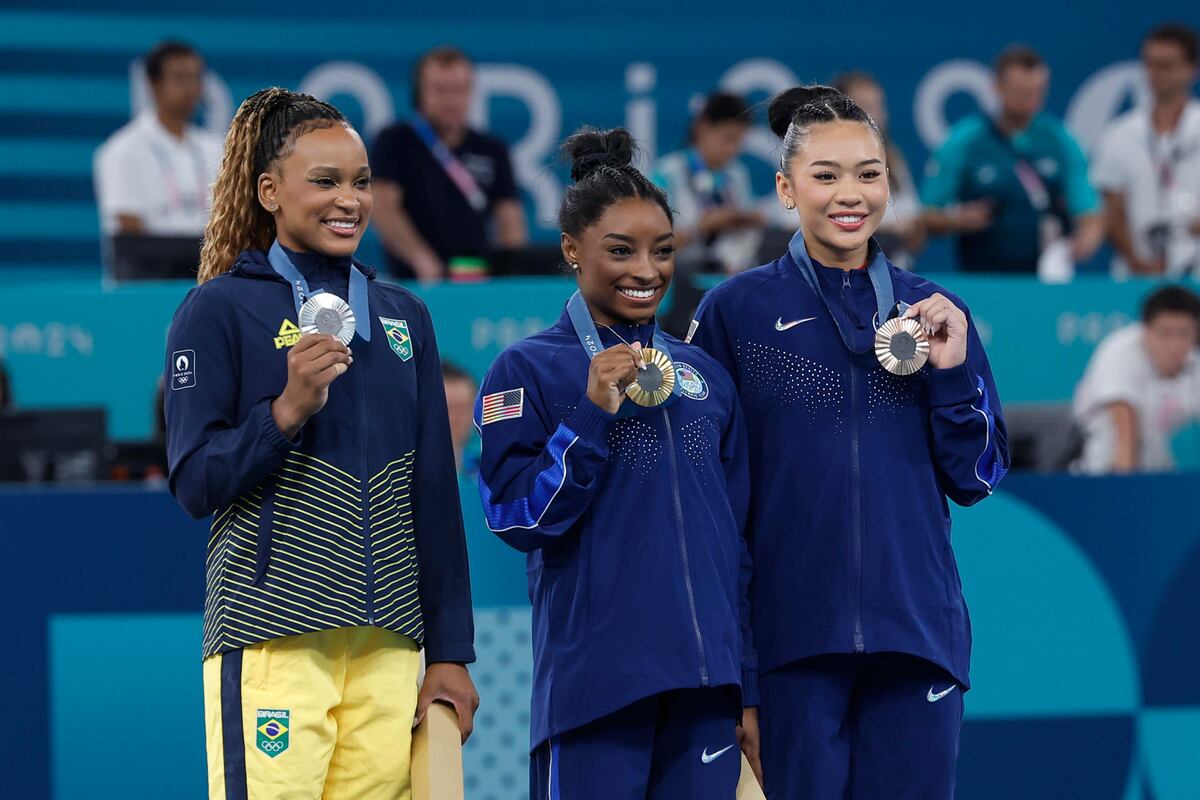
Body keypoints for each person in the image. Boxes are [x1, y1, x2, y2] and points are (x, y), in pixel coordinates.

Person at [688, 85, 1009, 799]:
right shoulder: (735, 311)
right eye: (825, 175)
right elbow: (710, 506)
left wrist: (953, 375)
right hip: (791, 645)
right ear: (785, 188)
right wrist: (740, 672)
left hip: (916, 637)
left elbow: (978, 476)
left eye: (869, 173)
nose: (850, 194)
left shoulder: (936, 312)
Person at [163, 87, 478, 799]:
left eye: (361, 182)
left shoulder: (405, 318)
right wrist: (285, 412)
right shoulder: (218, 310)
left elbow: (433, 493)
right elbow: (194, 481)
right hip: (273, 636)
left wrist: (451, 653)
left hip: (389, 646)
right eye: (325, 181)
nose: (349, 200)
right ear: (269, 191)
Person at [475, 127, 758, 799]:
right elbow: (514, 516)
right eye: (621, 250)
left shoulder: (705, 377)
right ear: (572, 249)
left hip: (706, 690)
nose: (647, 271)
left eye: (663, 250)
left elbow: (739, 543)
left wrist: (745, 681)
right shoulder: (528, 369)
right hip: (596, 689)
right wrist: (591, 412)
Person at [921, 45, 1103, 279]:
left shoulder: (1060, 141)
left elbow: (1088, 211)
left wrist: (1087, 237)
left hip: (1046, 282)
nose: (1030, 100)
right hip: (982, 279)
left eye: (1037, 91)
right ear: (997, 87)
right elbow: (927, 215)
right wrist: (957, 220)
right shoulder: (964, 141)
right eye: (1021, 91)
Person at [371, 46, 528, 280]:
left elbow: (510, 219)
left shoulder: (492, 149)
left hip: (476, 279)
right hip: (414, 281)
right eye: (441, 90)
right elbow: (383, 208)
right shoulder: (395, 141)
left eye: (459, 90)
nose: (451, 100)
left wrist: (512, 270)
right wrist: (420, 258)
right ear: (419, 94)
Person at [1091, 23, 1200, 278]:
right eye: (1151, 64)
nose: (1157, 74)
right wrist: (1135, 261)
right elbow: (1111, 207)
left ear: (1191, 69)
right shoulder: (1119, 134)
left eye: (1167, 65)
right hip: (1137, 275)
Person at [94, 41, 223, 237]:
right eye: (180, 78)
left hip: (212, 256)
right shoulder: (122, 151)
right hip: (151, 258)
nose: (190, 88)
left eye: (195, 78)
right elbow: (129, 233)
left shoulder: (215, 150)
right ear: (154, 84)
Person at [1074, 285, 1200, 474]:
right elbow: (1125, 440)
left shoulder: (1195, 361)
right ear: (1146, 330)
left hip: (1158, 466)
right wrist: (1128, 488)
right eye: (1165, 333)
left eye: (1183, 333)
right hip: (1102, 470)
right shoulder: (1120, 354)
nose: (1174, 345)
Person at [650, 91, 765, 274]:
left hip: (729, 278)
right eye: (728, 138)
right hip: (676, 281)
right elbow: (650, 245)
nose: (732, 150)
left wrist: (749, 220)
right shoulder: (666, 174)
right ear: (702, 127)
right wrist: (700, 228)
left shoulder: (737, 174)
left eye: (739, 141)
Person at [834, 71, 925, 269]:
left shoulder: (893, 158)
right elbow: (800, 225)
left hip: (892, 273)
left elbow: (912, 221)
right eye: (866, 107)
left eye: (879, 106)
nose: (877, 115)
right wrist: (887, 231)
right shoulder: (822, 162)